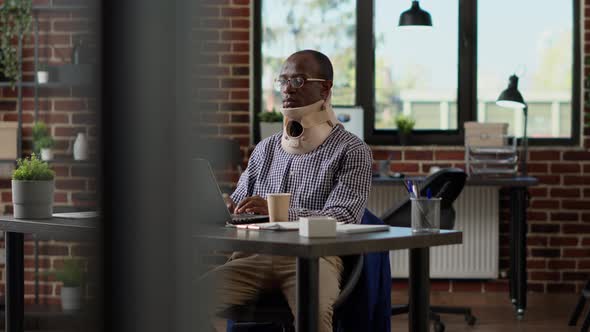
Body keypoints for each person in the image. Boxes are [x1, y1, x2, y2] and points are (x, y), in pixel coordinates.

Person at [205, 50, 373, 332]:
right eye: (282, 81)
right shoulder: (265, 149)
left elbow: (344, 218)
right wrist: (226, 206)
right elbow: (236, 204)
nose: (286, 89)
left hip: (312, 259)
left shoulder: (352, 150)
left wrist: (277, 213)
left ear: (325, 87)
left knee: (315, 317)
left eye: (297, 81)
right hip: (253, 256)